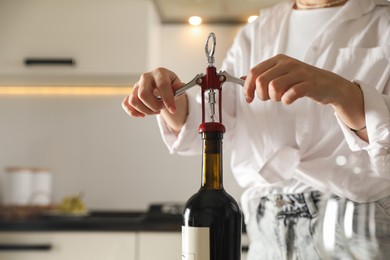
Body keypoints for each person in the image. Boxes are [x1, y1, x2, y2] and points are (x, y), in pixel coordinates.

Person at [122, 0, 390, 259]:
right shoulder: (256, 31)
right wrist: (173, 101)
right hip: (265, 234)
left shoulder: (384, 23)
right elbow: (208, 126)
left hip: (357, 228)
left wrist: (345, 94)